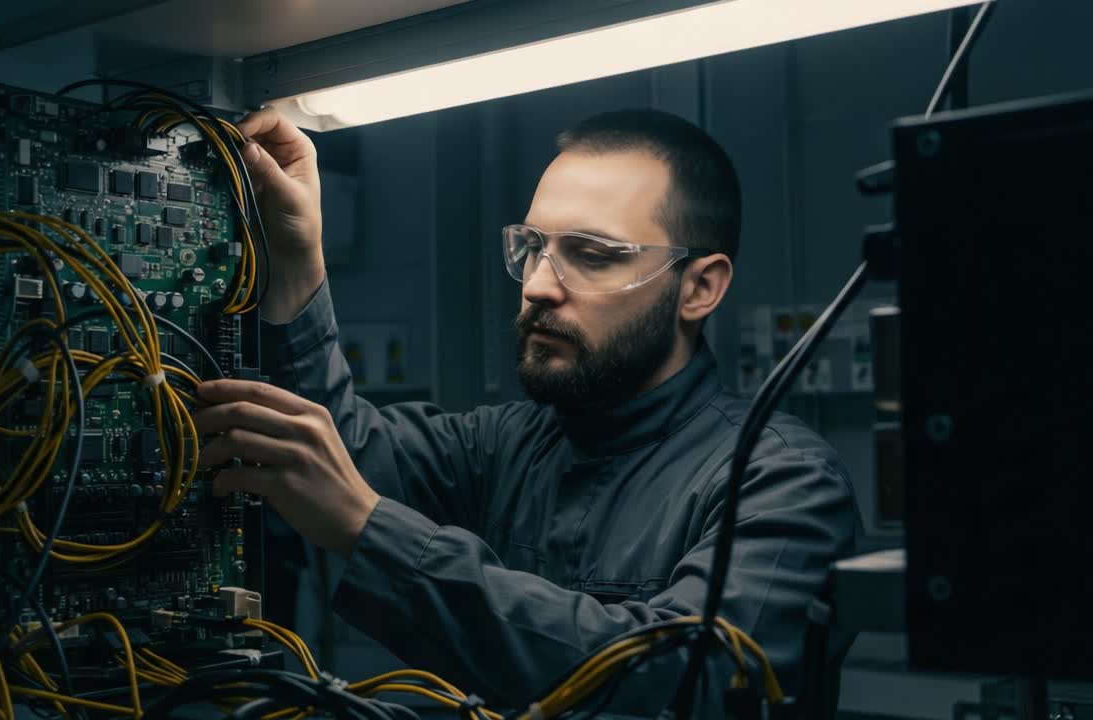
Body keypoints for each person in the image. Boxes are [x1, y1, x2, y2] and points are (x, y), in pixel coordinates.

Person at [190, 108, 858, 711]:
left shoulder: (782, 482)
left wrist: (372, 532)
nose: (538, 286)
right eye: (534, 247)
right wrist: (298, 256)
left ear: (700, 287)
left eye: (591, 256)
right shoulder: (506, 444)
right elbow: (331, 459)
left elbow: (683, 683)